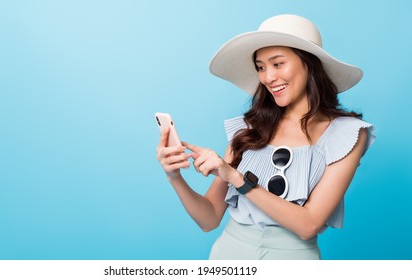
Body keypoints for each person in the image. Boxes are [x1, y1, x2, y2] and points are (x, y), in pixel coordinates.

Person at [156, 14, 375, 260]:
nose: (268, 77)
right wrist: (174, 176)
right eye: (261, 67)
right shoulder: (249, 129)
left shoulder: (346, 134)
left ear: (309, 64)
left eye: (278, 64)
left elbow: (309, 225)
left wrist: (238, 179)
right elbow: (209, 219)